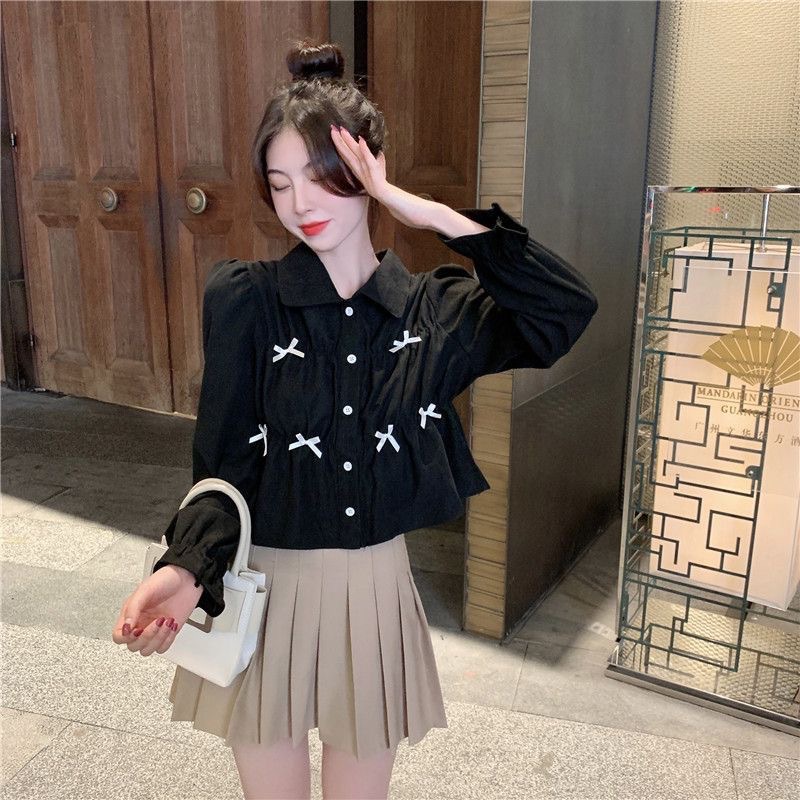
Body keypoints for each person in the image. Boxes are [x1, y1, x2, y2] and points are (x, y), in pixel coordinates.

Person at [112, 39, 598, 800]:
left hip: (374, 593)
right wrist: (184, 568)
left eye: (321, 178)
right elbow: (223, 464)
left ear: (369, 170)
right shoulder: (247, 301)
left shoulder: (435, 313)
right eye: (280, 184)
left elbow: (564, 311)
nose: (300, 205)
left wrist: (427, 214)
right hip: (263, 581)